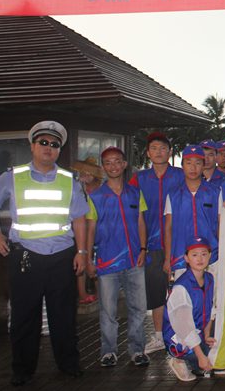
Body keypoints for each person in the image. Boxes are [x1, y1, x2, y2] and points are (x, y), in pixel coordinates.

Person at [0, 121, 88, 386]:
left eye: (54, 144)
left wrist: (82, 251)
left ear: (59, 150)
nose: (48, 148)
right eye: (43, 142)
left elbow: (79, 219)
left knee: (63, 315)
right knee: (24, 317)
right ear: (32, 146)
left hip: (62, 255)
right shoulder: (12, 176)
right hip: (25, 257)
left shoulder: (70, 180)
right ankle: (22, 370)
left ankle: (68, 364)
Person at [85, 146, 149, 368]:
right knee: (108, 311)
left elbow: (141, 222)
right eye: (108, 162)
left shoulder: (135, 193)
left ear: (124, 164)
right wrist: (88, 259)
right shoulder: (96, 197)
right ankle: (108, 352)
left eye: (117, 161)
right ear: (103, 167)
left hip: (134, 260)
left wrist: (143, 249)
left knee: (138, 308)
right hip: (107, 262)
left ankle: (137, 350)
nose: (113, 166)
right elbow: (90, 229)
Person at [128, 131, 184, 354]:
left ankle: (184, 336)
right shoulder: (139, 179)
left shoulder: (181, 175)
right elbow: (129, 208)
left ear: (170, 152)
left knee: (183, 291)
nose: (159, 152)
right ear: (148, 153)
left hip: (180, 243)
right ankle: (159, 336)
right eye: (154, 148)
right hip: (151, 245)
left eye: (163, 148)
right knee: (156, 293)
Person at [163, 237, 225, 381]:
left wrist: (207, 336)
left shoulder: (209, 279)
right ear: (186, 258)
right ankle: (179, 359)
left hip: (198, 332)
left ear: (210, 256)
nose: (200, 259)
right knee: (204, 357)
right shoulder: (181, 287)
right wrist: (201, 355)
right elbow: (184, 327)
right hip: (179, 337)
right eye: (194, 255)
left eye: (204, 254)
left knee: (222, 348)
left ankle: (208, 362)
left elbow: (210, 309)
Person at [164, 145, 219, 276]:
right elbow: (168, 228)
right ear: (182, 165)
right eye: (188, 163)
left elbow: (221, 225)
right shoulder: (173, 194)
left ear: (203, 166)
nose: (193, 168)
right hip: (181, 256)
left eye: (198, 163)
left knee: (211, 289)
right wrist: (167, 258)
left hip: (211, 257)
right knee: (183, 289)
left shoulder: (215, 192)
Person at [72, 156, 103, 305]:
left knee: (96, 261)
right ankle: (82, 293)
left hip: (96, 229)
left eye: (87, 173)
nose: (84, 175)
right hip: (80, 229)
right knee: (82, 260)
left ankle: (99, 291)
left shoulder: (100, 190)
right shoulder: (78, 188)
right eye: (82, 173)